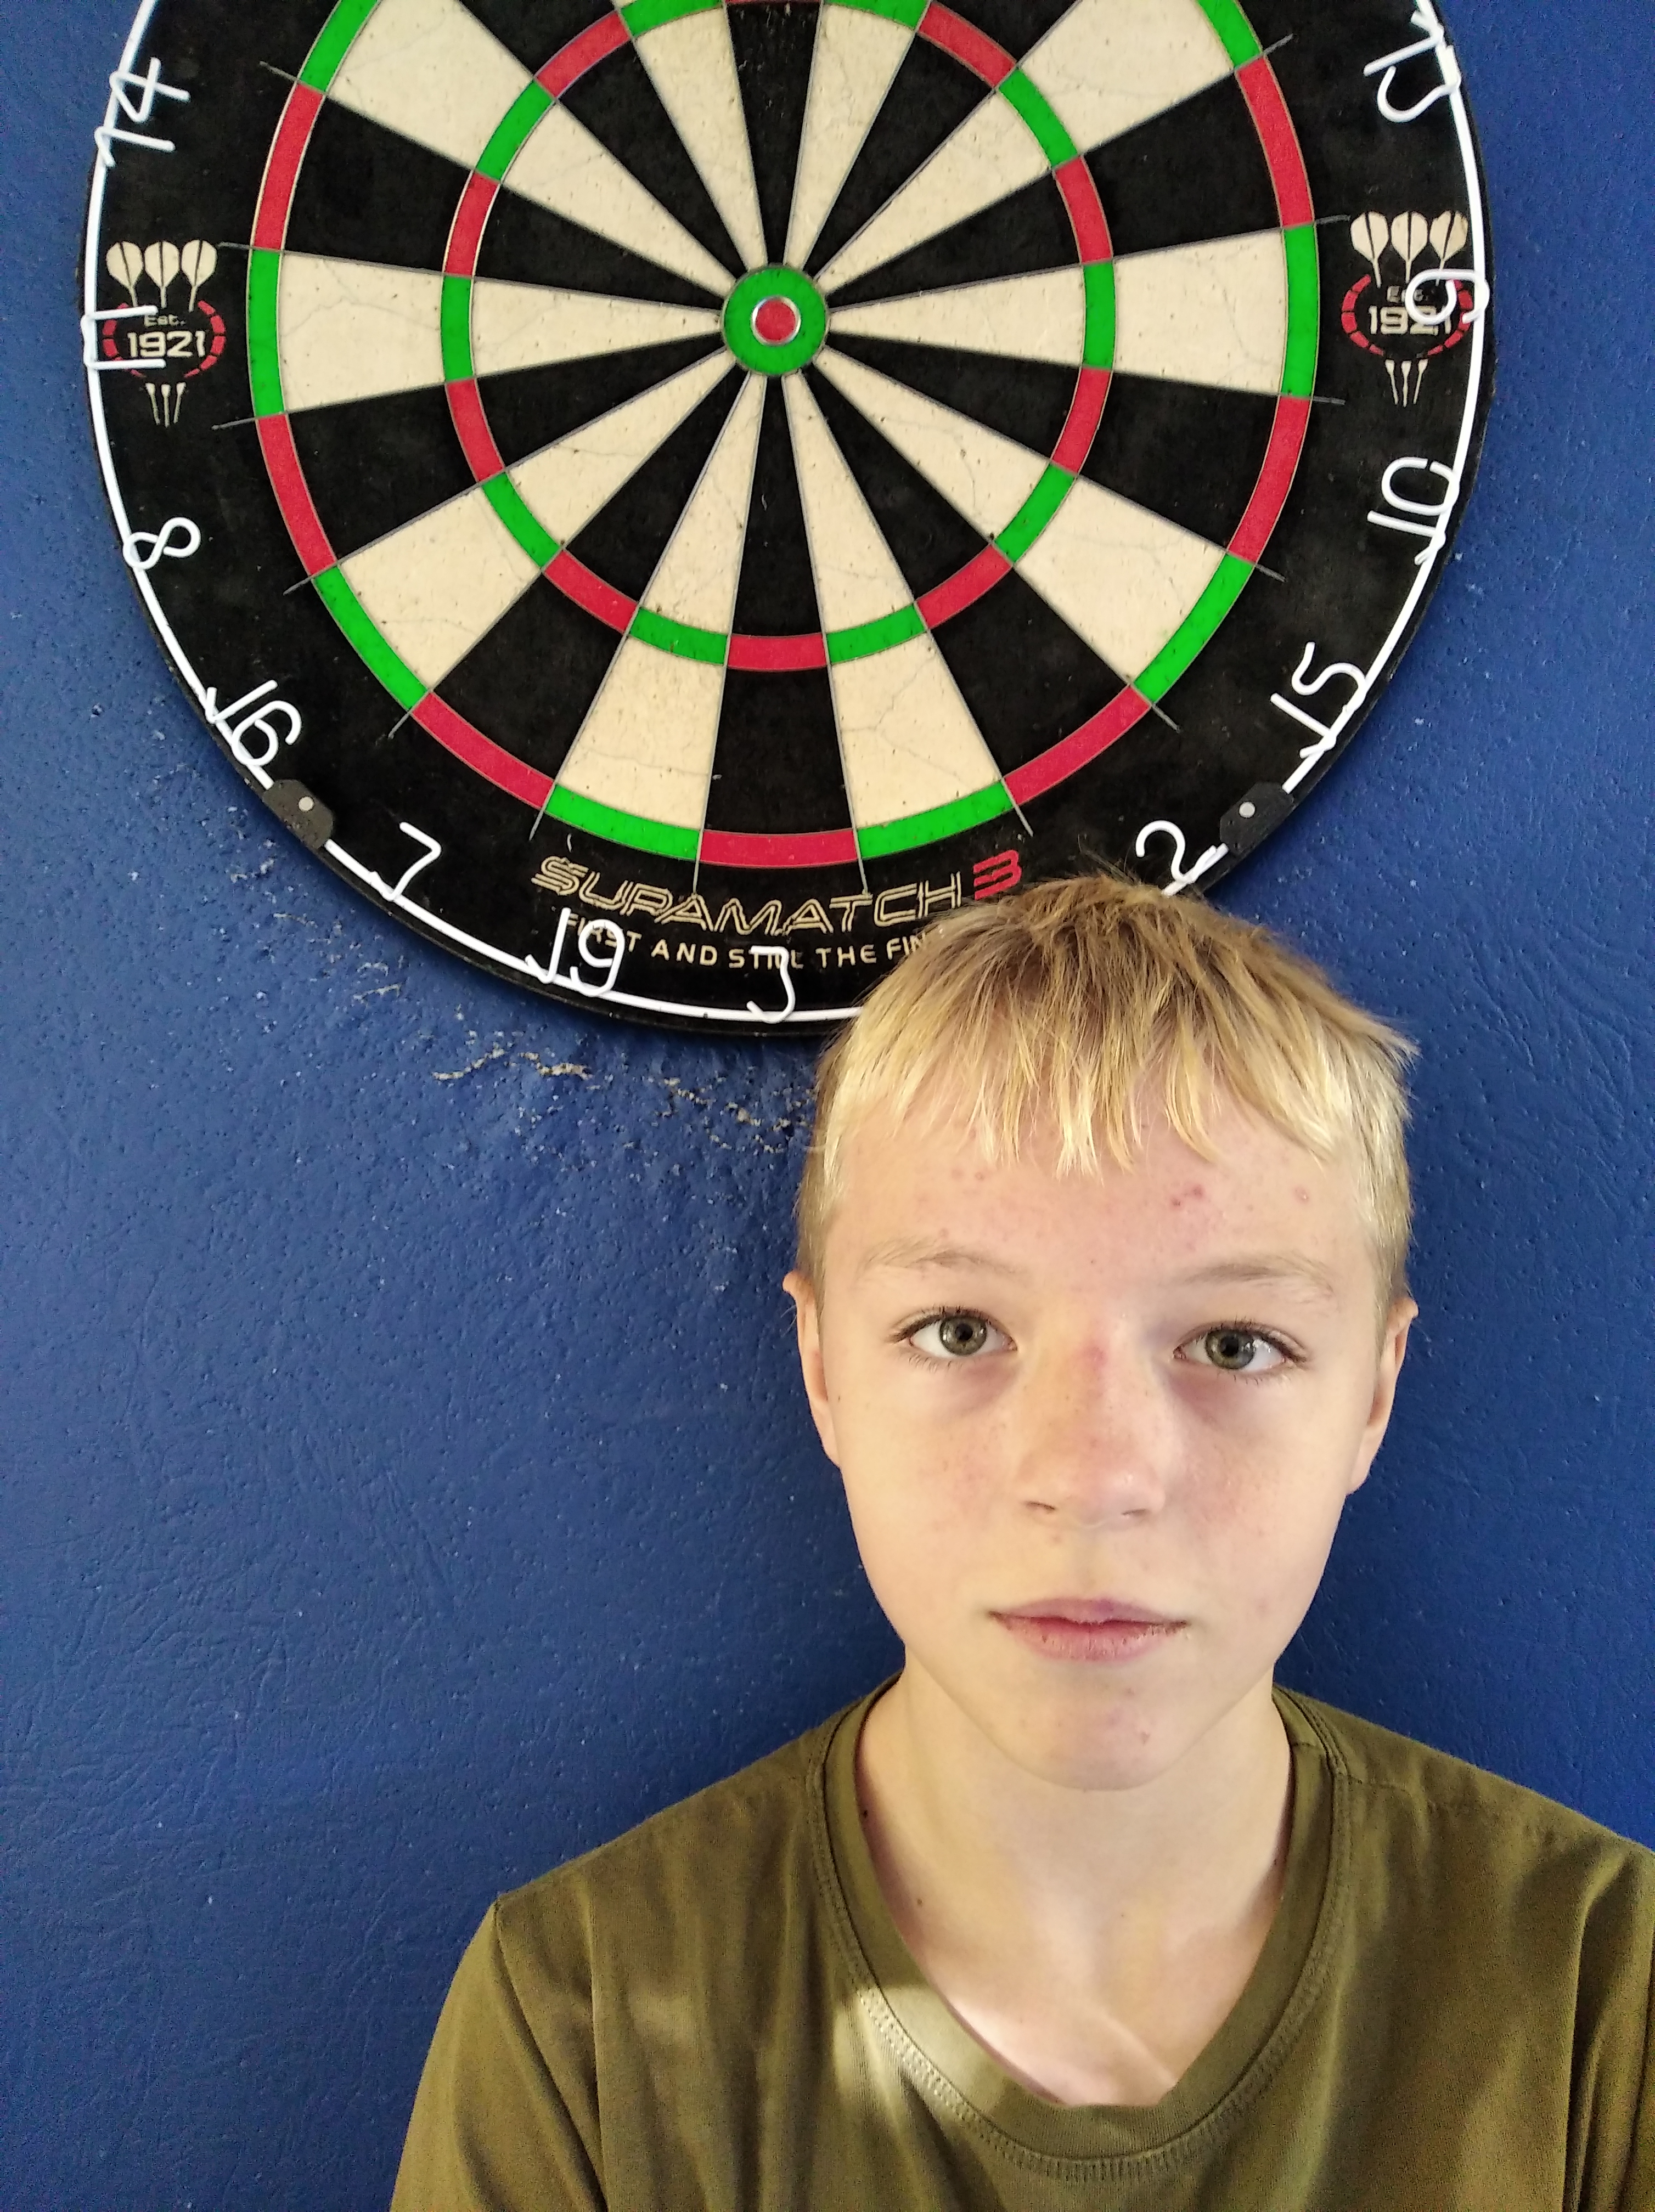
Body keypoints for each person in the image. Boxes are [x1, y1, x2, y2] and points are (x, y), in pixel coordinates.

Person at [391, 874, 1654, 2211]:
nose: (1091, 1478)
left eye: (1233, 1344)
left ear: (1373, 1396)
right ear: (821, 1368)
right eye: (958, 1332)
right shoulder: (582, 2027)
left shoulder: (1599, 1999)